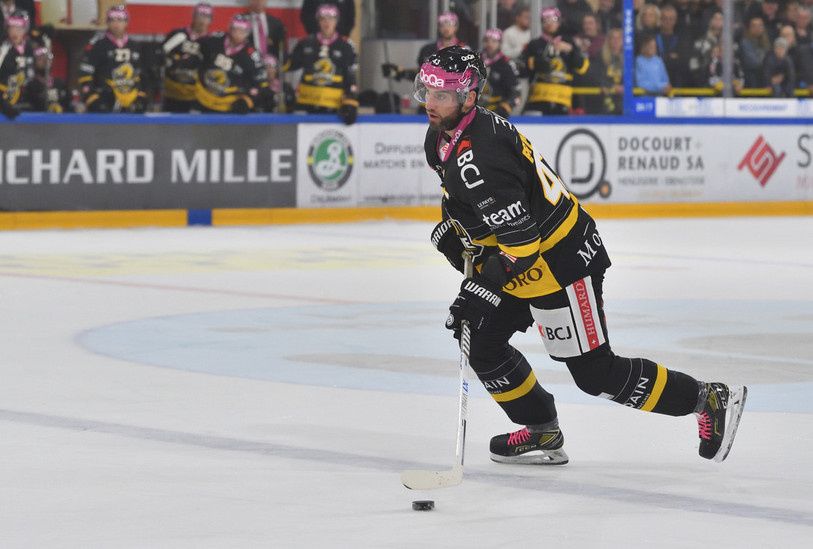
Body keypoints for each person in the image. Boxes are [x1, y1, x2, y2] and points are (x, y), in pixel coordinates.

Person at [415, 45, 747, 466]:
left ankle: (708, 398)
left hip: (562, 262)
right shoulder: (443, 137)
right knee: (482, 344)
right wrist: (459, 236)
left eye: (443, 94)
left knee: (595, 374)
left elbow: (521, 244)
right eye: (429, 91)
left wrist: (481, 286)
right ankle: (542, 431)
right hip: (527, 263)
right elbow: (473, 205)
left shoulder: (481, 154)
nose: (431, 102)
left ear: (470, 96)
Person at [284, 4, 358, 124]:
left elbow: (350, 76)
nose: (327, 22)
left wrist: (350, 101)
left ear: (336, 21)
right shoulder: (306, 43)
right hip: (306, 103)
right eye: (323, 19)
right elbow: (290, 65)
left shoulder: (346, 46)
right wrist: (281, 56)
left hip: (333, 105)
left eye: (331, 19)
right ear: (318, 21)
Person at [194, 13, 272, 113]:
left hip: (228, 105)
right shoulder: (214, 40)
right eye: (235, 31)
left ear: (248, 33)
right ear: (230, 29)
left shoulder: (252, 56)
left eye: (242, 32)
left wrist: (247, 101)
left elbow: (261, 84)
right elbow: (197, 53)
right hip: (202, 98)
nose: (238, 35)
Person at [77, 5, 149, 113]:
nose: (116, 24)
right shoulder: (98, 45)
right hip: (105, 98)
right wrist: (91, 96)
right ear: (107, 22)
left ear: (126, 22)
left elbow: (141, 74)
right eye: (112, 20)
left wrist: (141, 94)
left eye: (120, 20)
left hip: (130, 98)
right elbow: (85, 73)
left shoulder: (134, 46)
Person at [520, 7, 589, 115]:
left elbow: (582, 68)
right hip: (538, 99)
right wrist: (538, 62)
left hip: (563, 100)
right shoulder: (534, 44)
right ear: (541, 23)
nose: (549, 23)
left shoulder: (569, 42)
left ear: (559, 22)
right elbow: (522, 69)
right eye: (546, 20)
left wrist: (570, 49)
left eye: (553, 19)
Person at [381, 12, 468, 84]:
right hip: (432, 98)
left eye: (450, 24)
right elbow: (422, 75)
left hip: (454, 99)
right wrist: (401, 73)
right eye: (442, 24)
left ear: (456, 27)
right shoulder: (428, 50)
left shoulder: (464, 50)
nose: (446, 28)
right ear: (438, 27)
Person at [161, 2, 214, 113]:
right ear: (193, 16)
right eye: (200, 15)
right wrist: (172, 60)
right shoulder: (177, 34)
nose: (202, 20)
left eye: (207, 17)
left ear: (211, 20)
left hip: (196, 95)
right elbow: (161, 55)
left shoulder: (212, 42)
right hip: (172, 92)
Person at [22, 24, 72, 113]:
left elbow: (69, 105)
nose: (45, 62)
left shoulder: (60, 84)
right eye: (41, 58)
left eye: (47, 58)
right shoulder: (31, 85)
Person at [479, 28, 520, 118]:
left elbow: (515, 91)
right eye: (487, 41)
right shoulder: (476, 60)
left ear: (500, 43)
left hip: (496, 111)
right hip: (475, 109)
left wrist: (505, 107)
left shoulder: (506, 65)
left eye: (494, 41)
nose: (490, 44)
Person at [0, 9, 33, 119]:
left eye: (19, 29)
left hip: (21, 96)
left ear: (25, 30)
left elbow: (29, 74)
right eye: (12, 28)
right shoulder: (3, 48)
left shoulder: (28, 47)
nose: (15, 32)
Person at [656, 4, 692, 88]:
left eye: (671, 19)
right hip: (656, 84)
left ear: (675, 20)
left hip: (676, 84)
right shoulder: (653, 37)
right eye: (665, 18)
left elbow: (683, 62)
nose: (668, 21)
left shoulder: (682, 39)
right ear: (660, 19)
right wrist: (670, 57)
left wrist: (662, 57)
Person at [780, 23, 813, 94]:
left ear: (794, 37)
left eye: (788, 35)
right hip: (778, 87)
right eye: (783, 36)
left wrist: (810, 83)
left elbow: (807, 68)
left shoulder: (801, 52)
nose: (786, 38)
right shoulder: (772, 53)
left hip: (797, 85)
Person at [739, 15, 771, 88]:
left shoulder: (767, 44)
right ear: (749, 28)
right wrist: (767, 66)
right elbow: (753, 63)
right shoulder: (745, 43)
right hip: (750, 80)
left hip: (764, 80)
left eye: (760, 26)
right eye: (754, 26)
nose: (757, 29)